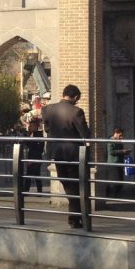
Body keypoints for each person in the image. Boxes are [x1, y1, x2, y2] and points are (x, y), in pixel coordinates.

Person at [42, 84, 91, 228]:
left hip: (57, 152)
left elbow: (47, 128)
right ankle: (76, 218)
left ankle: (75, 218)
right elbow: (85, 134)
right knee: (75, 186)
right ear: (75, 97)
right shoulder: (76, 112)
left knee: (68, 186)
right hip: (74, 154)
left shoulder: (48, 109)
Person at [106, 127, 130, 201]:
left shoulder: (119, 141)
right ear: (115, 133)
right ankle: (112, 195)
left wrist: (125, 152)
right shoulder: (111, 141)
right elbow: (111, 152)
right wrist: (122, 151)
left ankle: (116, 195)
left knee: (120, 180)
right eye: (120, 135)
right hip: (113, 163)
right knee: (114, 180)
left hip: (119, 162)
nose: (121, 137)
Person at [23, 118, 45, 194]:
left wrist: (32, 160)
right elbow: (26, 143)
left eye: (33, 126)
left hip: (36, 158)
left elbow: (39, 148)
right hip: (31, 157)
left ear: (36, 126)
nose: (31, 127)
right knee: (34, 175)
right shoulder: (29, 134)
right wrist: (28, 134)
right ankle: (38, 192)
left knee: (33, 175)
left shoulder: (39, 135)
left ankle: (27, 191)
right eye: (30, 126)